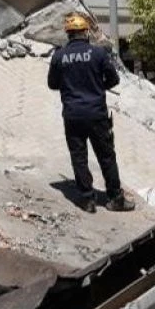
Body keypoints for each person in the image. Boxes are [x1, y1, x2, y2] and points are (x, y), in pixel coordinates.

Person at [47, 12, 135, 213]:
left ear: (68, 34)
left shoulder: (59, 56)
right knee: (106, 156)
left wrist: (70, 86)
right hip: (97, 113)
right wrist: (97, 86)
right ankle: (115, 199)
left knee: (79, 157)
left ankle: (87, 200)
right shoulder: (98, 54)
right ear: (86, 32)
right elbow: (114, 80)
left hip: (73, 115)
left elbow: (52, 84)